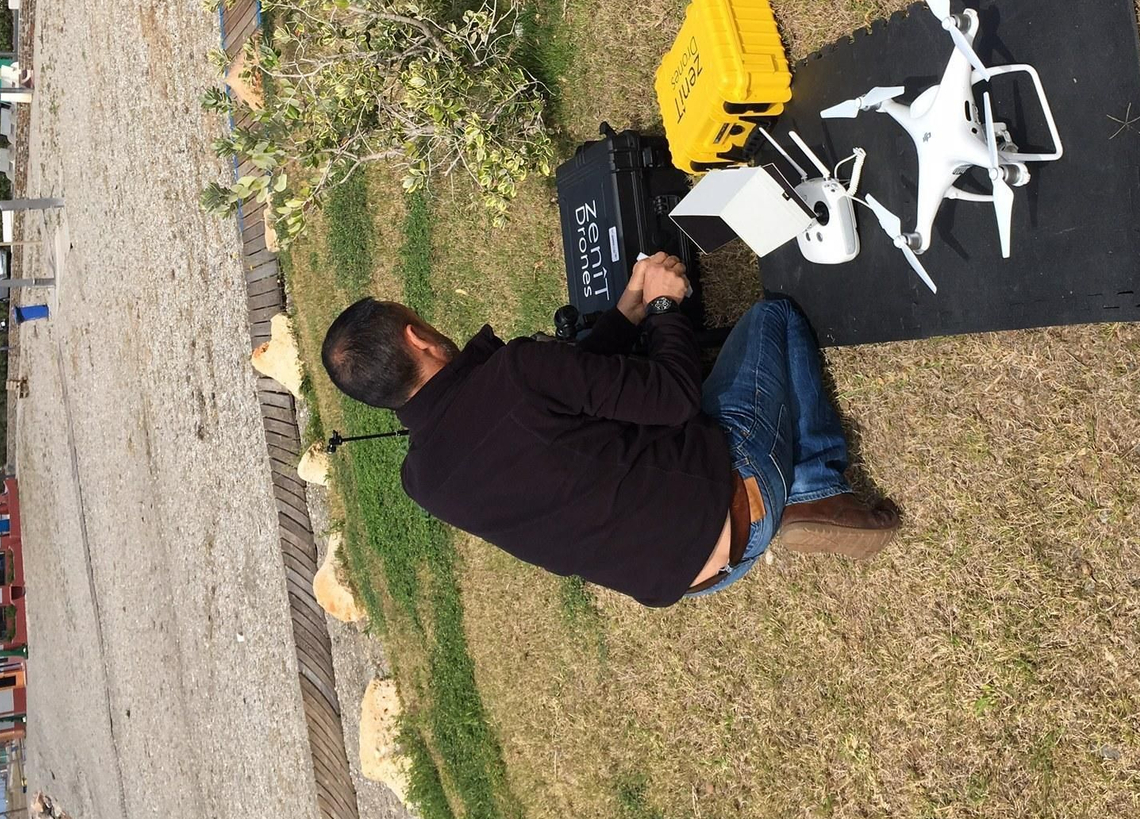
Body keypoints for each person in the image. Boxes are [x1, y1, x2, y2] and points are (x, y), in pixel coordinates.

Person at [320, 252, 899, 607]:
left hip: (695, 579)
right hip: (734, 503)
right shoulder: (517, 372)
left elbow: (569, 397)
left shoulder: (423, 481)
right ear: (417, 339)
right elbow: (674, 397)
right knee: (772, 319)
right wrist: (668, 309)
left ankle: (790, 507)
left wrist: (627, 311)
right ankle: (816, 489)